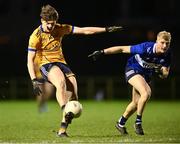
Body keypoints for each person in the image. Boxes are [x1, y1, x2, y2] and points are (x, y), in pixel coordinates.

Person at [27, 4, 123, 137]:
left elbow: (85, 31)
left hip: (61, 63)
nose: (51, 26)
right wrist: (34, 80)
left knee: (74, 97)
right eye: (48, 24)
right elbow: (29, 60)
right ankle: (64, 109)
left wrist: (106, 29)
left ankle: (62, 130)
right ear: (42, 21)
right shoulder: (35, 36)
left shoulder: (61, 28)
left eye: (53, 23)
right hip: (46, 64)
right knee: (60, 83)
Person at [88, 31, 172, 135]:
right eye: (162, 42)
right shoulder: (145, 47)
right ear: (157, 41)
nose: (164, 46)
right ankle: (138, 123)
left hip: (145, 75)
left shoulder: (168, 53)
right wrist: (102, 52)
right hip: (133, 69)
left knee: (136, 103)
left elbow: (165, 74)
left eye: (167, 43)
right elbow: (122, 49)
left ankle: (120, 123)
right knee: (146, 93)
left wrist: (160, 71)